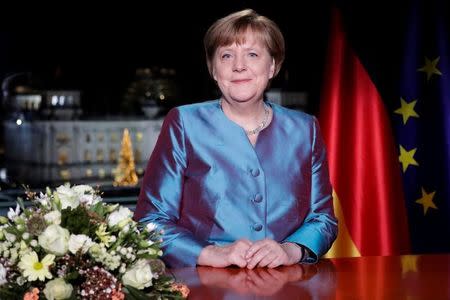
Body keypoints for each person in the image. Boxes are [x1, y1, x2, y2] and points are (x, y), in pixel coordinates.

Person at [134, 9, 337, 268]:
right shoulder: (184, 123)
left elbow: (323, 220)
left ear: (272, 66)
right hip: (205, 285)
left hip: (287, 286)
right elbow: (150, 221)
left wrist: (291, 250)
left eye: (252, 54)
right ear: (213, 69)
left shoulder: (305, 129)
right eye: (226, 55)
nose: (239, 65)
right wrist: (209, 254)